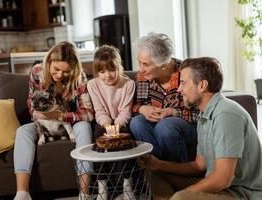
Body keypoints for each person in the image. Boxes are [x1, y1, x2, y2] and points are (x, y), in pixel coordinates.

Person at [143, 57, 262, 200]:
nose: (179, 89)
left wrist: (181, 195)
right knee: (154, 175)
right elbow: (199, 165)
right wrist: (159, 165)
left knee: (181, 198)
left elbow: (223, 179)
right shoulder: (204, 115)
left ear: (202, 85)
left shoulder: (225, 114)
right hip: (221, 188)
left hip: (241, 194)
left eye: (183, 83)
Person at [13, 41, 94, 200]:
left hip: (69, 122)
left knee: (84, 127)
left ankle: (85, 193)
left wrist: (60, 116)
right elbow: (31, 101)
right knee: (22, 131)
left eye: (66, 72)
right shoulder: (37, 71)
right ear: (49, 60)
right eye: (56, 69)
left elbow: (88, 113)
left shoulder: (79, 76)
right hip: (43, 123)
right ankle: (22, 193)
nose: (60, 75)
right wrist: (38, 114)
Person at [130, 33, 198, 162]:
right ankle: (157, 170)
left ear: (164, 64)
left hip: (188, 128)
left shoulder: (187, 74)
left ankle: (176, 172)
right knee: (137, 122)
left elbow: (201, 114)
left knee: (165, 125)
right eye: (139, 62)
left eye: (145, 64)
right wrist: (142, 109)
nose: (141, 69)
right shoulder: (143, 77)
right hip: (159, 127)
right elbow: (135, 105)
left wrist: (172, 112)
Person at [87, 45, 135, 200]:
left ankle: (128, 188)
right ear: (97, 72)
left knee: (127, 140)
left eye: (111, 70)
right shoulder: (93, 85)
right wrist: (107, 126)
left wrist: (117, 126)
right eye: (102, 71)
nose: (107, 75)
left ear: (119, 67)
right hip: (103, 123)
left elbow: (126, 111)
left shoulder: (128, 84)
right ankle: (102, 189)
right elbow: (99, 110)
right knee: (98, 138)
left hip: (121, 122)